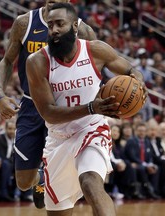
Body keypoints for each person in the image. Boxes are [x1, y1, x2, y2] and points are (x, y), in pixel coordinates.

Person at [25, 3, 147, 215]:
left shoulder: (95, 50)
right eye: (50, 25)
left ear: (74, 26)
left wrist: (139, 79)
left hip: (92, 129)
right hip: (58, 138)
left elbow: (129, 69)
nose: (53, 30)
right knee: (59, 211)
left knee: (91, 183)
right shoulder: (37, 62)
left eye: (59, 24)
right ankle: (44, 179)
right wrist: (91, 107)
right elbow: (48, 112)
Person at [0, 0, 96, 209]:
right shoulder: (24, 23)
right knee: (23, 182)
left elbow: (96, 67)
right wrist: (0, 95)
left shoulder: (83, 30)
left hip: (64, 107)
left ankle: (51, 176)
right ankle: (42, 176)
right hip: (31, 105)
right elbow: (6, 60)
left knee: (82, 172)